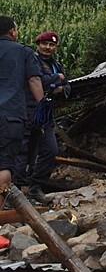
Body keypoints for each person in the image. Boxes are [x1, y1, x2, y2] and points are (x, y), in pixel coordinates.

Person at [13, 31, 71, 204]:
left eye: (52, 45)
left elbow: (67, 86)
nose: (48, 47)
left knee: (50, 149)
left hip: (45, 113)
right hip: (28, 109)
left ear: (56, 47)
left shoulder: (56, 64)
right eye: (44, 44)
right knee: (23, 150)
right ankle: (15, 191)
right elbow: (37, 81)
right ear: (38, 44)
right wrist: (56, 80)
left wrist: (57, 85)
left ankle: (35, 187)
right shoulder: (31, 59)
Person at [0, 15, 44, 208]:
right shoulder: (23, 52)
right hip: (10, 115)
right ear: (12, 32)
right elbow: (34, 80)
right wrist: (43, 107)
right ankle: (1, 211)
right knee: (4, 163)